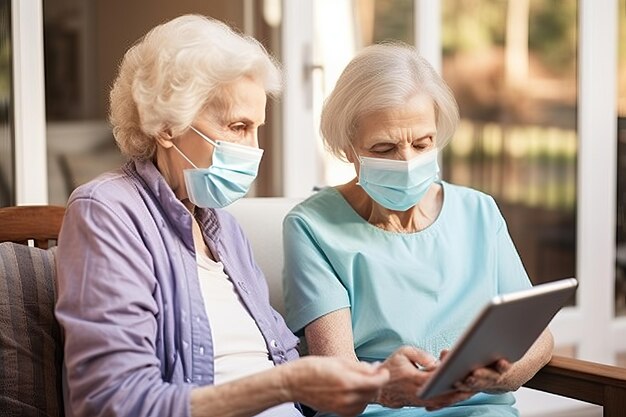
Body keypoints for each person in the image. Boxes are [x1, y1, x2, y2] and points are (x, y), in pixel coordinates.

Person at [54, 15, 389, 417]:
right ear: (167, 126)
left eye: (257, 128)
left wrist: (384, 383)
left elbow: (287, 368)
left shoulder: (224, 229)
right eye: (238, 126)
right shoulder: (107, 212)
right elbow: (114, 402)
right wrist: (282, 385)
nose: (254, 149)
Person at [282, 43, 554, 416]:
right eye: (384, 147)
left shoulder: (479, 211)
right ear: (349, 148)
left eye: (421, 143)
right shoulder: (312, 227)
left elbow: (538, 336)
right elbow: (337, 370)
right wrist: (400, 387)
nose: (407, 161)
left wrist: (499, 378)